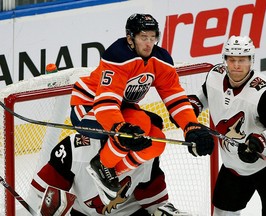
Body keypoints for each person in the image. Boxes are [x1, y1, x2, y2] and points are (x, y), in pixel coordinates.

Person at [69, 13, 214, 203]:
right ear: (130, 38)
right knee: (140, 123)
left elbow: (175, 97)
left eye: (153, 37)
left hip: (119, 107)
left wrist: (190, 126)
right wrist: (119, 128)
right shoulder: (118, 56)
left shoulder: (160, 60)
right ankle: (102, 163)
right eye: (143, 37)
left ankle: (113, 170)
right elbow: (106, 103)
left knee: (157, 141)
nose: (149, 43)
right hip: (88, 105)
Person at [186, 35, 266, 216]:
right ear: (224, 60)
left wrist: (261, 141)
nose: (236, 65)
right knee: (222, 212)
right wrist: (190, 108)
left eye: (242, 60)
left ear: (251, 61)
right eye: (232, 59)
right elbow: (204, 96)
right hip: (235, 165)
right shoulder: (215, 75)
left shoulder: (265, 92)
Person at [27, 125, 191, 215]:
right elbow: (41, 191)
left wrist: (162, 212)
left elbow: (155, 202)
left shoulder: (147, 153)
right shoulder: (76, 147)